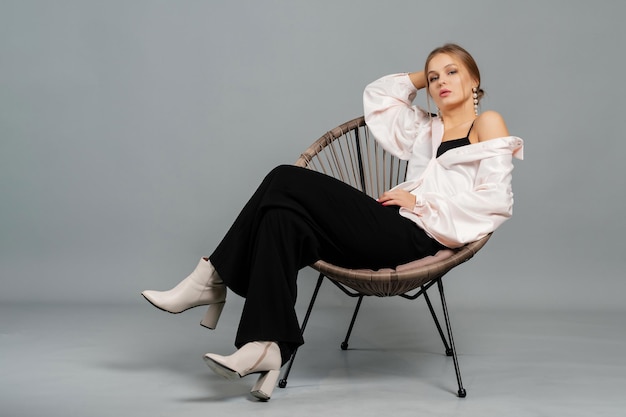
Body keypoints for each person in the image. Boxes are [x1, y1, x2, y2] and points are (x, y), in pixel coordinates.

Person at [141, 43, 524, 401]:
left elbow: (495, 200)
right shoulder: (426, 128)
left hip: (415, 234)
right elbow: (380, 95)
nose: (441, 81)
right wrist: (424, 74)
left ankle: (212, 277)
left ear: (474, 80)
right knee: (281, 218)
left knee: (283, 177)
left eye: (453, 72)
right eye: (434, 76)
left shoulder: (485, 123)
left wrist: (419, 200)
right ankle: (266, 347)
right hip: (387, 222)